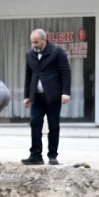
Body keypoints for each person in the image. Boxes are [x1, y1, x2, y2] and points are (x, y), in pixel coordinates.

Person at [22, 28, 71, 165]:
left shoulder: (56, 52)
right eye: (32, 42)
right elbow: (28, 76)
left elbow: (65, 73)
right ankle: (35, 155)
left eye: (36, 42)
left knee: (53, 125)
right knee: (35, 124)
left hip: (53, 96)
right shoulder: (29, 55)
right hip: (36, 97)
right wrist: (26, 96)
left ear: (44, 39)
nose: (34, 45)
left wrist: (65, 93)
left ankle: (52, 155)